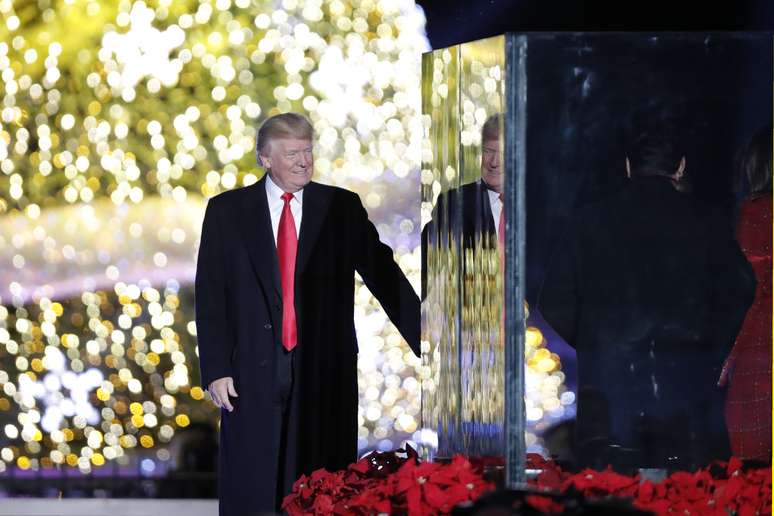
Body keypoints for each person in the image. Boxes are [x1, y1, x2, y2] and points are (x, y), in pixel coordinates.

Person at [195, 112, 421, 515]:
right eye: (292, 153)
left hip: (323, 372)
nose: (304, 161)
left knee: (321, 488)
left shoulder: (340, 208)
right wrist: (215, 368)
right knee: (254, 487)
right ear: (265, 158)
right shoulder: (227, 212)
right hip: (249, 372)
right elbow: (212, 294)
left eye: (308, 152)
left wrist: (429, 339)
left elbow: (384, 275)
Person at [538, 126, 756, 472]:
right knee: (684, 492)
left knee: (610, 489)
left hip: (609, 388)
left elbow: (553, 300)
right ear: (681, 167)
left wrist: (599, 342)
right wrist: (706, 344)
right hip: (685, 383)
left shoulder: (588, 222)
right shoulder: (705, 222)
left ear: (628, 166)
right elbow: (741, 291)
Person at [719, 127, 772, 463]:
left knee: (755, 477)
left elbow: (749, 293)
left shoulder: (757, 213)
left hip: (762, 357)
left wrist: (727, 357)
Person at [421, 114, 504, 299]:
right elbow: (424, 274)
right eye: (489, 151)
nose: (494, 162)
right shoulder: (454, 205)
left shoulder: (540, 209)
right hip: (475, 324)